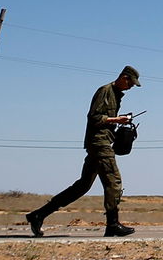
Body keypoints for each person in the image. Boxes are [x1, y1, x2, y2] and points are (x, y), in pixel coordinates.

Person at [25, 66, 142, 237]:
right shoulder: (105, 91)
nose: (131, 87)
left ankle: (38, 215)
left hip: (101, 143)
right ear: (124, 78)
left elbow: (104, 118)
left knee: (82, 186)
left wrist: (118, 122)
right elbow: (94, 118)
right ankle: (113, 224)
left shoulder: (116, 95)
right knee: (113, 182)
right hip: (99, 144)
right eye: (130, 83)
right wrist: (117, 119)